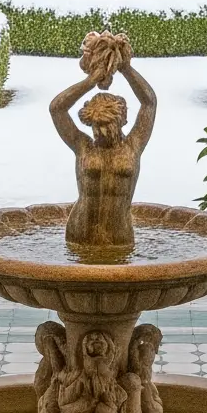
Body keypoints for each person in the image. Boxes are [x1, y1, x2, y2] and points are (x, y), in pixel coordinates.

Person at [48, 32, 157, 258]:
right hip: (80, 230)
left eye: (108, 125)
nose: (100, 131)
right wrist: (91, 80)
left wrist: (126, 68)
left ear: (123, 121)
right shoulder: (83, 146)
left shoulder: (133, 146)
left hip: (120, 235)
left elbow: (149, 102)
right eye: (96, 125)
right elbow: (57, 108)